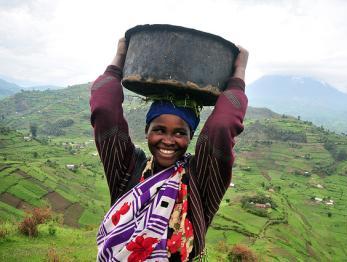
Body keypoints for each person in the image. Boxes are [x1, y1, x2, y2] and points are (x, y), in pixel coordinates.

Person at [90, 36, 248, 261]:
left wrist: (239, 72)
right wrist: (120, 57)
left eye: (180, 133)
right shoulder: (127, 169)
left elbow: (222, 127)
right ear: (146, 131)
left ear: (191, 136)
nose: (168, 140)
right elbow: (104, 109)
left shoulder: (200, 180)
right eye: (159, 129)